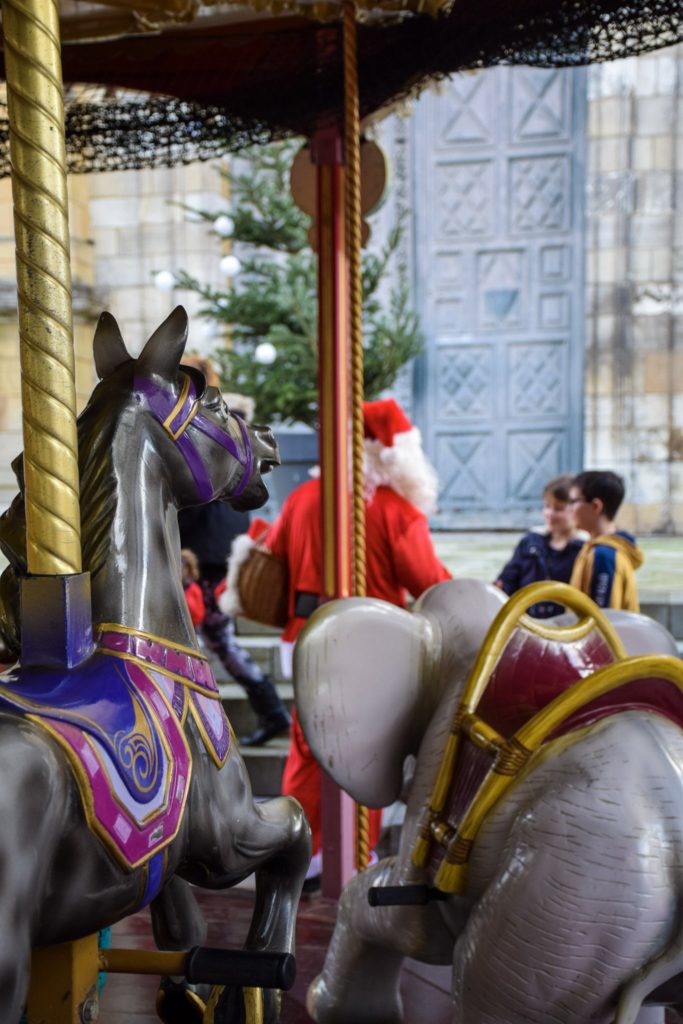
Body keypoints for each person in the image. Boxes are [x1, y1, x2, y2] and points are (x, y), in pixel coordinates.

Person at [264, 398, 452, 882]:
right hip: (372, 648)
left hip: (302, 639)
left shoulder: (302, 498)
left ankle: (301, 851)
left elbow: (275, 559)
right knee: (369, 751)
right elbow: (430, 581)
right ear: (389, 452)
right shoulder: (394, 510)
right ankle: (351, 856)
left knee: (307, 749)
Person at [178, 354, 290, 747]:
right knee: (212, 636)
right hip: (218, 542)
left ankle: (271, 710)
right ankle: (267, 711)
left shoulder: (198, 426)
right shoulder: (222, 419)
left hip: (205, 547)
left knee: (215, 636)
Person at [494, 474, 584, 617]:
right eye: (547, 506)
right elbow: (508, 579)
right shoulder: (531, 541)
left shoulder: (583, 549)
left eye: (559, 509)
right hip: (526, 621)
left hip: (565, 624)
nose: (550, 513)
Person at [568, 470, 643, 611]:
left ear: (596, 506)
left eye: (574, 502)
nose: (569, 509)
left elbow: (604, 619)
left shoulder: (604, 555)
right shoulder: (596, 548)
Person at [181, 548, 205, 627]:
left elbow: (199, 616)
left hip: (192, 628)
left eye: (184, 564)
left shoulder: (194, 589)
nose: (181, 568)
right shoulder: (173, 588)